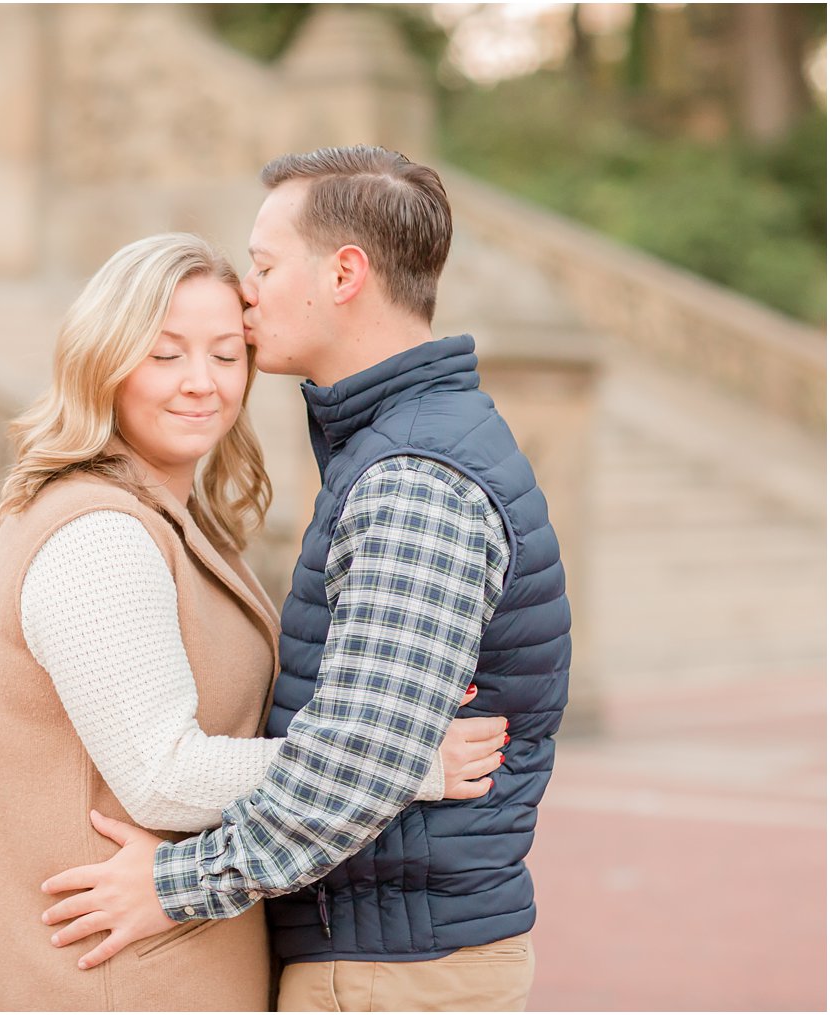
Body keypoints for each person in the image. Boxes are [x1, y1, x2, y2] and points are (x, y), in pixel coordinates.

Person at [40, 146, 571, 1012]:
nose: (248, 291)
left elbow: (361, 760)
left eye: (264, 264)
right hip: (388, 955)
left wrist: (173, 883)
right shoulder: (394, 450)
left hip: (387, 974)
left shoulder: (412, 480)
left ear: (345, 273)